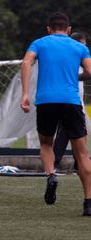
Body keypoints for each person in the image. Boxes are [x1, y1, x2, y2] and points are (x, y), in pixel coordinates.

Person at [20, 12, 91, 216]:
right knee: (82, 153)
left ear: (48, 29)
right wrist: (74, 75)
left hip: (46, 101)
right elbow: (90, 72)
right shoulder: (80, 47)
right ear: (68, 30)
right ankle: (88, 202)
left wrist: (25, 94)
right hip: (70, 101)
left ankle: (51, 174)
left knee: (45, 143)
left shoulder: (39, 43)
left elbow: (26, 63)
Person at [53, 32, 87, 173]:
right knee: (64, 136)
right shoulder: (68, 61)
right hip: (67, 104)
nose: (85, 48)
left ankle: (79, 166)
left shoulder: (80, 63)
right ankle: (53, 166)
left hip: (77, 105)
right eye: (83, 45)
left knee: (78, 137)